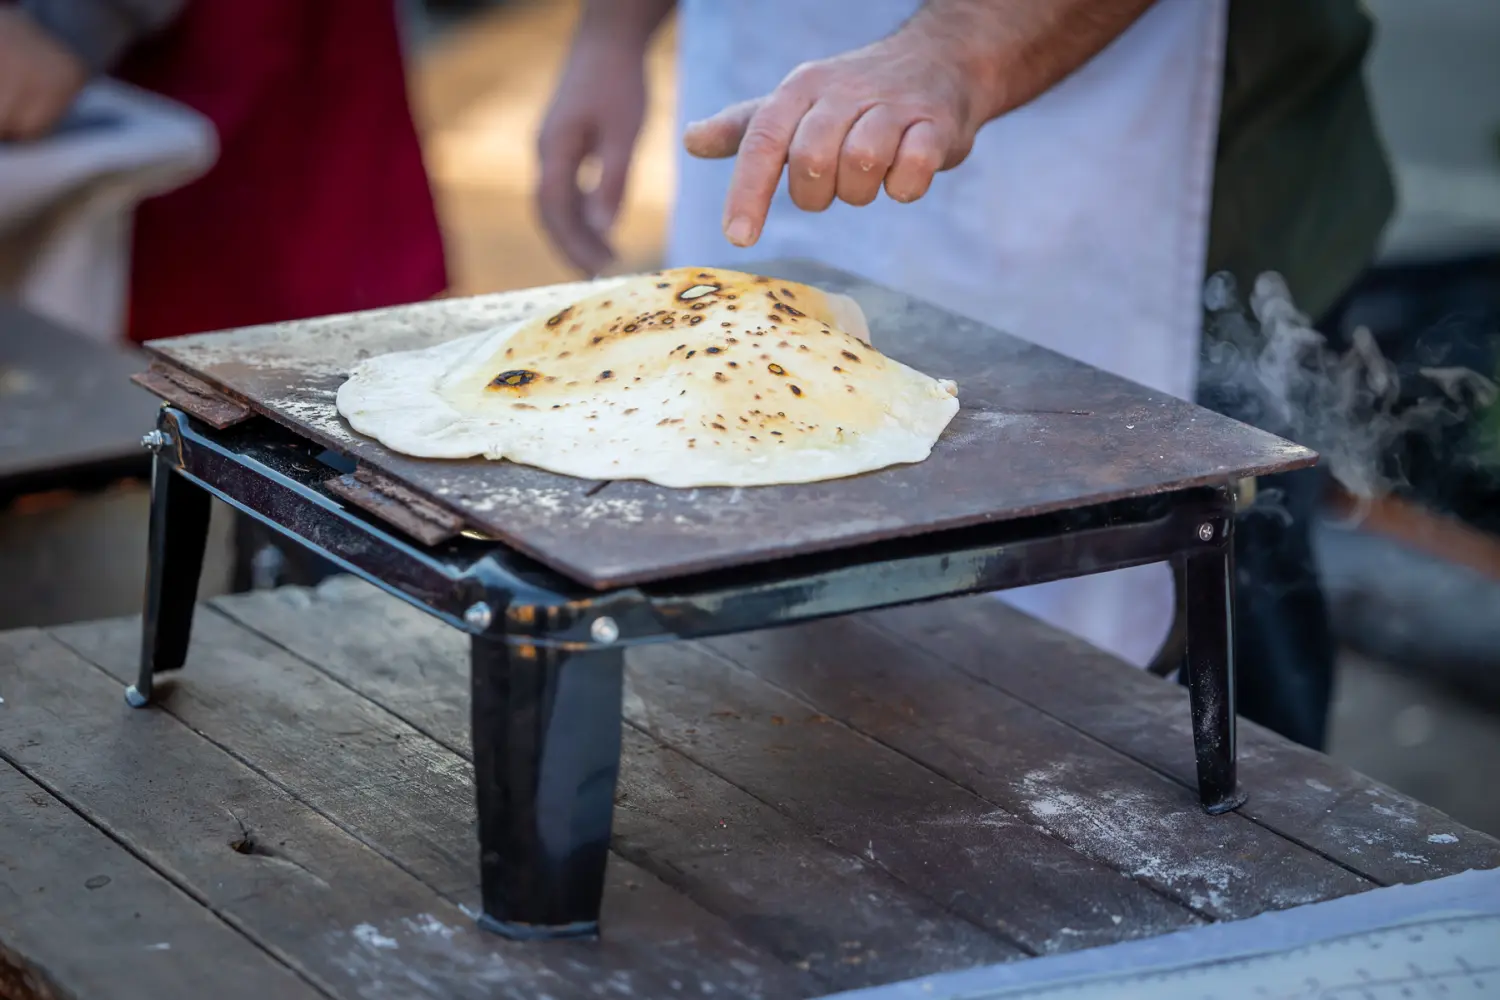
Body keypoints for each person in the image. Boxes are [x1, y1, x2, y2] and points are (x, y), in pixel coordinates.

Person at [536, 0, 1394, 750]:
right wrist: (613, 31)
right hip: (766, 60)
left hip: (1155, 167)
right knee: (793, 672)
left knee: (1225, 638)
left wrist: (958, 50)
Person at [5, 0, 448, 588]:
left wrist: (80, 20)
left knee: (313, 450)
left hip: (249, 87)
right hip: (134, 101)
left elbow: (32, 75)